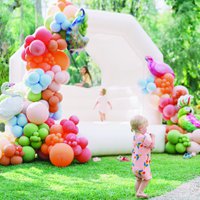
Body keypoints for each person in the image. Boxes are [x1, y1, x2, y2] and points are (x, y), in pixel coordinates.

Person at [130, 115, 155, 199]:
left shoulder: (135, 136)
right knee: (147, 178)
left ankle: (137, 192)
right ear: (140, 127)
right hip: (143, 165)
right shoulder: (143, 137)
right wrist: (153, 137)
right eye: (146, 127)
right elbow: (151, 146)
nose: (147, 129)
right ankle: (140, 192)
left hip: (135, 164)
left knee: (139, 179)